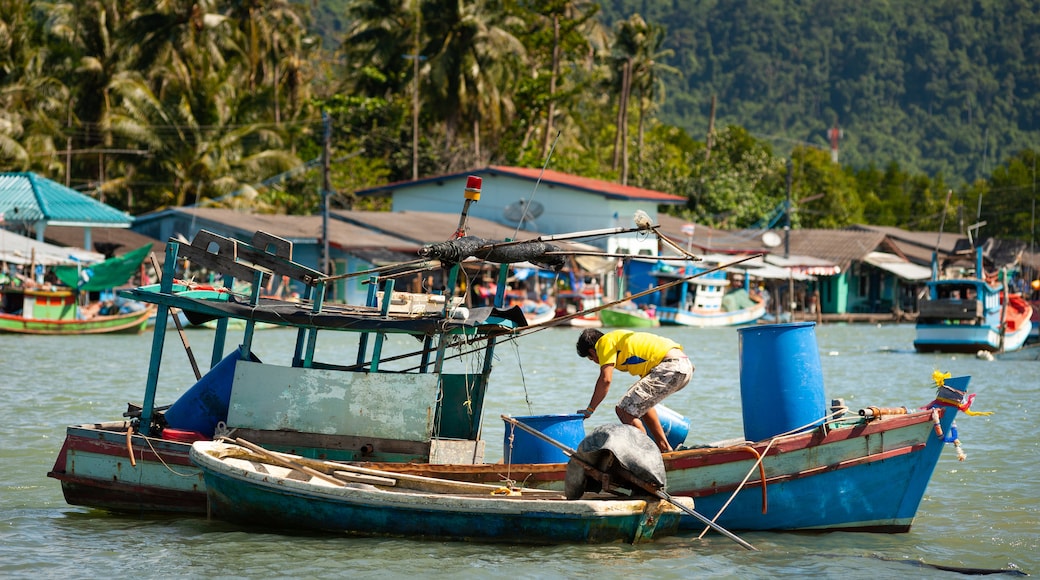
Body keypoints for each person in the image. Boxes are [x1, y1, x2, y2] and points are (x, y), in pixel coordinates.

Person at [575, 328, 694, 452]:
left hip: (671, 366)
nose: (595, 362)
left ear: (592, 352)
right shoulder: (621, 343)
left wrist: (590, 410)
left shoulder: (604, 342)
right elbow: (644, 402)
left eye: (592, 359)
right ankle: (664, 448)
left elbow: (605, 380)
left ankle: (646, 454)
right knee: (639, 404)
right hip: (683, 366)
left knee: (623, 409)